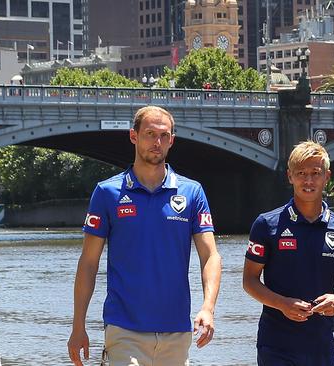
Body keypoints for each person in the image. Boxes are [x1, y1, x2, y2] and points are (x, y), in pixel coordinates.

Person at [68, 106, 222, 366]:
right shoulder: (107, 193)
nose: (157, 142)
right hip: (124, 329)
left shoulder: (192, 193)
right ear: (133, 136)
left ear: (171, 140)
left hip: (177, 330)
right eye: (150, 134)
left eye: (163, 136)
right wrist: (78, 325)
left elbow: (210, 256)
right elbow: (88, 263)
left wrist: (208, 308)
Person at [243, 141, 334, 366]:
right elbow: (249, 281)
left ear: (327, 176)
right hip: (276, 346)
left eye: (315, 173)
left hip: (321, 346)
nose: (308, 181)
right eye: (301, 173)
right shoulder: (267, 224)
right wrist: (282, 304)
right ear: (290, 177)